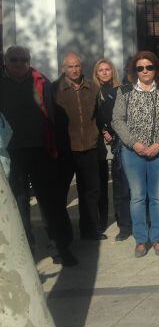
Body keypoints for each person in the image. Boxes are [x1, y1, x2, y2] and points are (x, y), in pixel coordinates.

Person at [1, 46, 77, 266]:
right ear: (6, 61)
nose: (19, 63)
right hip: (10, 154)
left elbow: (54, 116)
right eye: (14, 60)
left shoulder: (40, 82)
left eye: (24, 59)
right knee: (18, 203)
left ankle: (61, 246)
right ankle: (24, 250)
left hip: (41, 150)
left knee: (51, 202)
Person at [111, 51, 159, 257]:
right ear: (134, 70)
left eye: (149, 67)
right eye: (140, 68)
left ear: (156, 69)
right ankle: (140, 239)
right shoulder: (125, 91)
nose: (145, 71)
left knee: (157, 196)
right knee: (137, 197)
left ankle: (157, 238)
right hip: (132, 152)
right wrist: (134, 143)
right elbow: (117, 120)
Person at [54, 52, 105, 240]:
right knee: (61, 192)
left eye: (77, 66)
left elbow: (97, 115)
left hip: (89, 147)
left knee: (90, 191)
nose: (74, 70)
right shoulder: (54, 89)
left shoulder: (92, 87)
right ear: (63, 69)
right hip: (66, 149)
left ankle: (90, 229)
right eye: (70, 66)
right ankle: (62, 233)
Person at [93, 58, 131, 240]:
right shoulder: (91, 91)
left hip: (117, 142)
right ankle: (99, 222)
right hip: (96, 144)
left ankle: (124, 224)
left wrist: (113, 133)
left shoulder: (120, 91)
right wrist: (102, 130)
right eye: (101, 70)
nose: (105, 72)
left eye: (108, 69)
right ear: (96, 73)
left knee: (120, 185)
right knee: (98, 186)